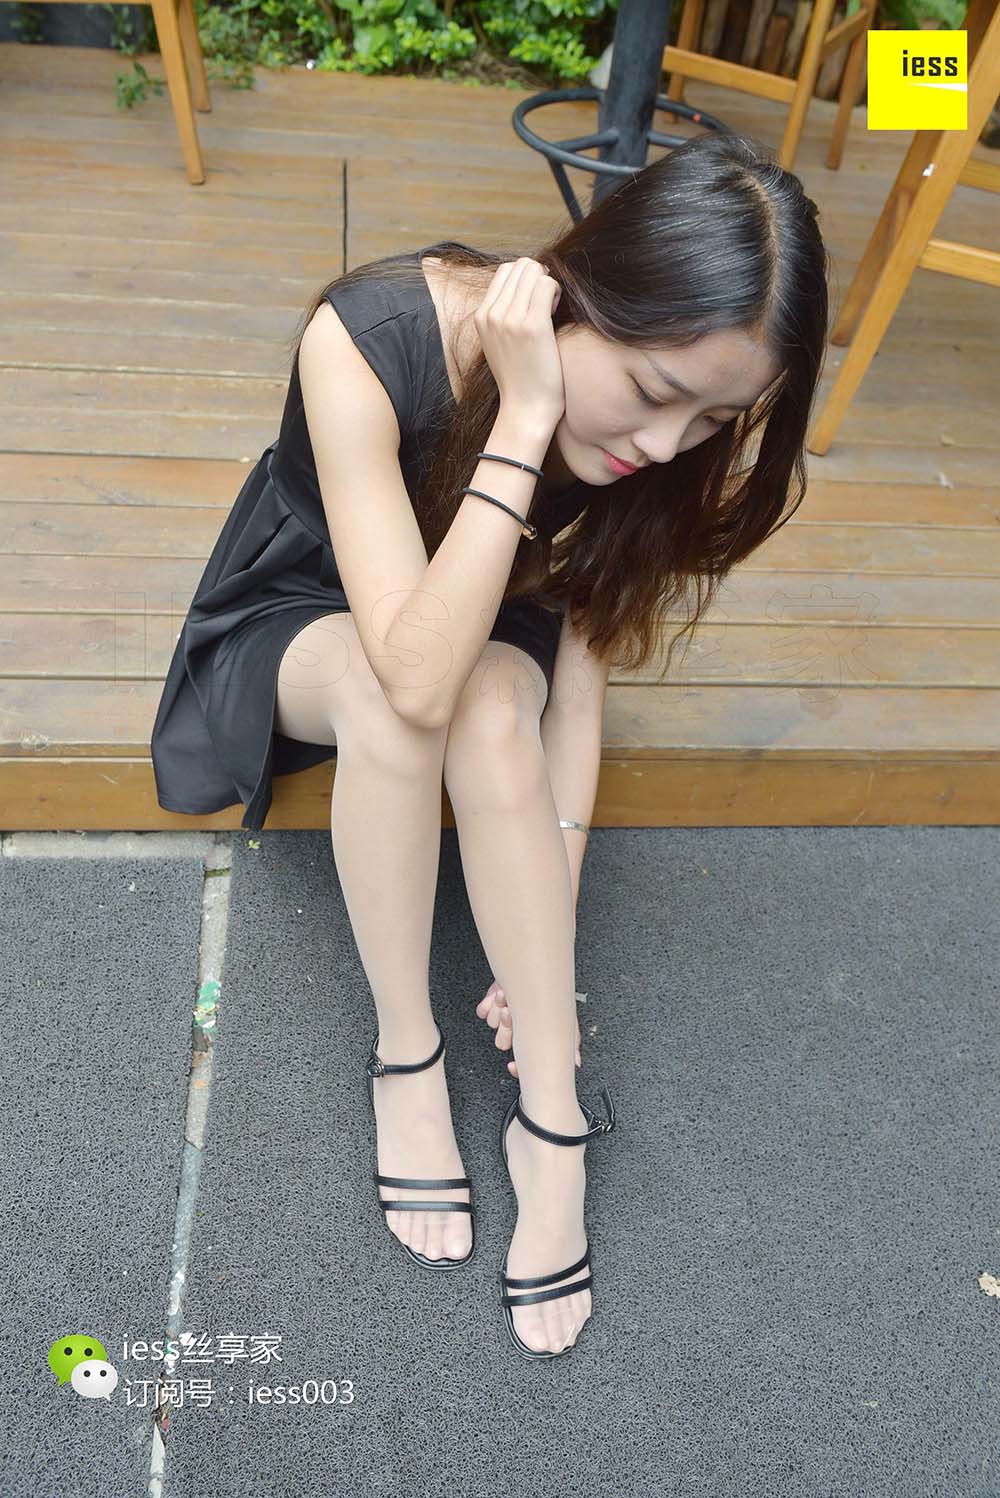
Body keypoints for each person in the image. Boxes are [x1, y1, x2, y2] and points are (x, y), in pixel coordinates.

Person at [151, 130, 830, 1361]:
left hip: (482, 597)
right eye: (652, 390)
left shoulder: (656, 441)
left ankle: (550, 1122)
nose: (665, 444)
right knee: (400, 700)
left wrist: (545, 914)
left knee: (491, 704)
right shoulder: (367, 337)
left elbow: (577, 690)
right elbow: (412, 672)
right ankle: (406, 1053)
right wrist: (526, 413)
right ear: (583, 294)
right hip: (308, 607)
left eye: (713, 417)